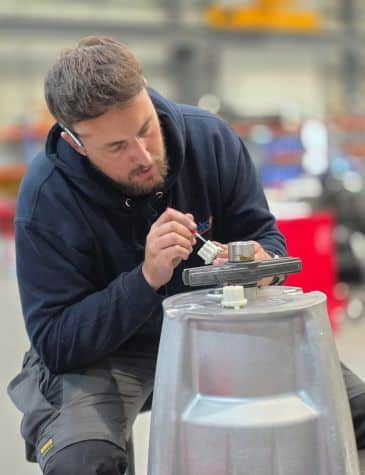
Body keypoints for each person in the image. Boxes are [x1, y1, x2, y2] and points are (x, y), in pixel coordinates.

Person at [7, 35, 364, 475]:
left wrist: (258, 265)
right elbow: (58, 343)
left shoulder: (208, 138)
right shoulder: (47, 199)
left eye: (144, 130)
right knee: (82, 460)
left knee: (358, 411)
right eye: (117, 147)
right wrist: (145, 279)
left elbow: (267, 238)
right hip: (110, 352)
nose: (141, 156)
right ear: (77, 143)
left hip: (217, 332)